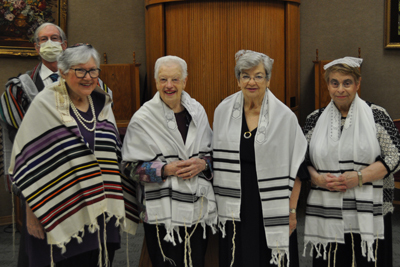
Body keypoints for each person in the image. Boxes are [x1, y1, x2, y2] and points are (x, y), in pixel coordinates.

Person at [8, 43, 139, 267]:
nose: (88, 77)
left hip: (101, 213)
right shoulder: (45, 105)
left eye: (93, 70)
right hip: (57, 210)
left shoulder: (102, 104)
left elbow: (113, 158)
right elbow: (28, 166)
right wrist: (31, 215)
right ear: (63, 72)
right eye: (80, 70)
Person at [212, 50, 308, 267]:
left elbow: (298, 170)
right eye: (245, 76)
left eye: (258, 75)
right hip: (235, 204)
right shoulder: (222, 112)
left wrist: (292, 211)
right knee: (238, 258)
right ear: (238, 81)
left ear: (268, 79)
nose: (252, 82)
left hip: (271, 204)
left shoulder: (285, 117)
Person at [302, 56, 400, 267]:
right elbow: (302, 159)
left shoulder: (377, 116)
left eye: (347, 83)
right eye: (334, 83)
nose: (340, 89)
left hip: (372, 208)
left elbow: (395, 156)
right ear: (327, 85)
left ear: (357, 83)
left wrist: (359, 177)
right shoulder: (314, 119)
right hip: (327, 207)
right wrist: (318, 179)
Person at [122, 55, 217, 267]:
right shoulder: (143, 118)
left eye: (175, 79)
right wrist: (165, 169)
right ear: (156, 82)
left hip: (197, 210)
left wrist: (203, 164)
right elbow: (128, 168)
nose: (169, 85)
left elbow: (213, 155)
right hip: (162, 215)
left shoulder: (197, 111)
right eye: (163, 79)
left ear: (185, 81)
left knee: (197, 261)